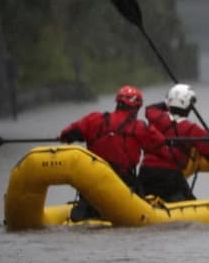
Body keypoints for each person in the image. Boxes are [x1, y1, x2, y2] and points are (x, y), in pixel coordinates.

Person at [59, 85, 167, 220]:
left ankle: (84, 210)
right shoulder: (139, 127)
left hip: (92, 178)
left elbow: (68, 134)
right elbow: (160, 144)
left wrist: (68, 137)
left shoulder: (94, 119)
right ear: (136, 108)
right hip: (122, 181)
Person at [139, 83, 209, 203]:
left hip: (146, 172)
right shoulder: (192, 130)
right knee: (190, 203)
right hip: (170, 176)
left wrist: (171, 101)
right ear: (189, 106)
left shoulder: (155, 117)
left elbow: (151, 108)